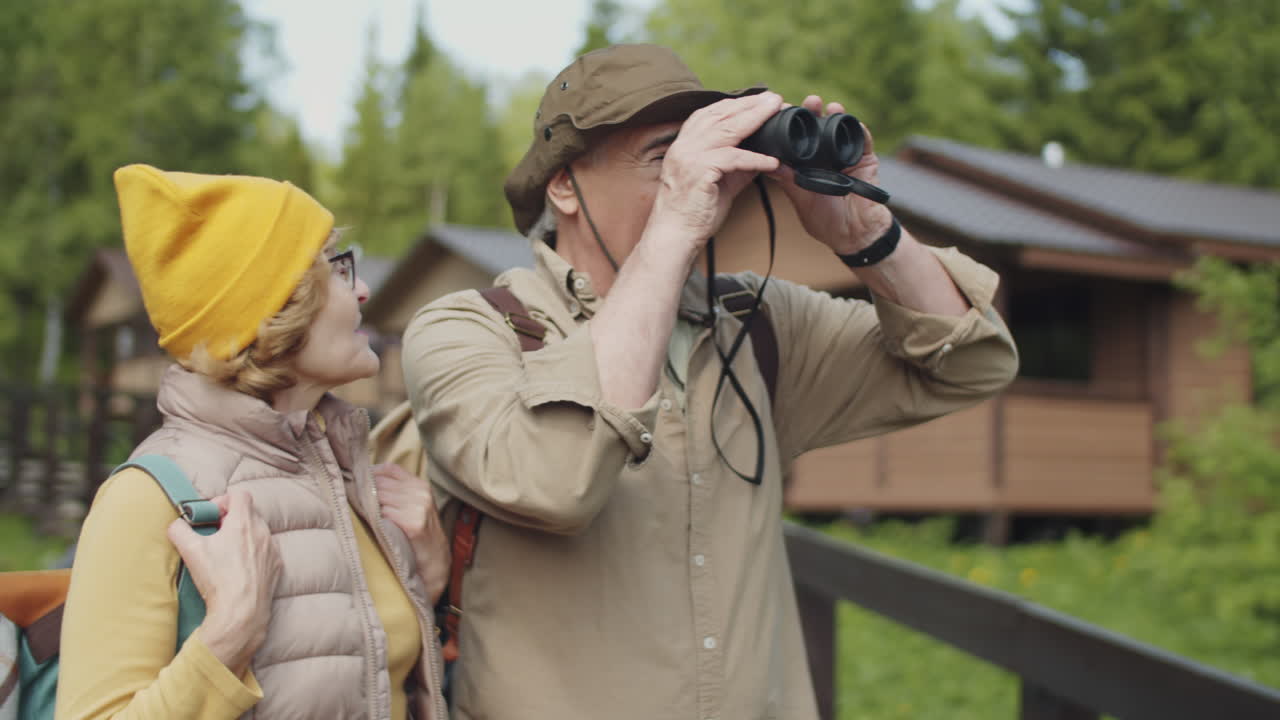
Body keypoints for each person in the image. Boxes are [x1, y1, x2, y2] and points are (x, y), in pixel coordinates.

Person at [401, 44, 1019, 719]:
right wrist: (675, 223)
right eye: (663, 157)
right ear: (564, 185)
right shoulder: (469, 331)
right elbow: (557, 482)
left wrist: (865, 231)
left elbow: (972, 362)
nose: (702, 179)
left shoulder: (754, 322)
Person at [56, 166, 449, 720]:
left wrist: (427, 587)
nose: (362, 289)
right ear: (271, 310)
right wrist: (231, 632)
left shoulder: (347, 476)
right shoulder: (146, 499)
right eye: (336, 270)